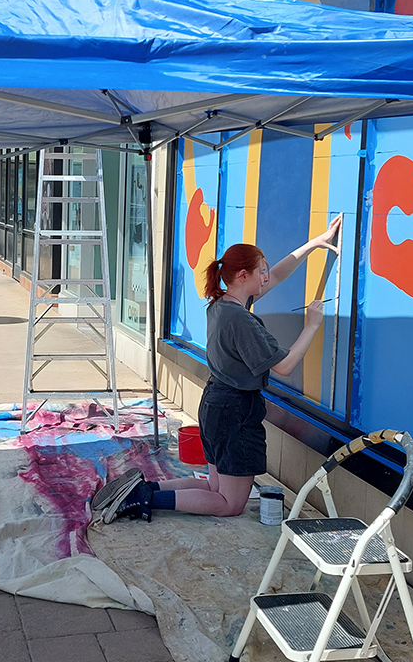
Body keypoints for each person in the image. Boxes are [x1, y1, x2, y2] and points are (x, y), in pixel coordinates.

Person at [92, 217, 342, 523]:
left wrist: (315, 243)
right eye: (261, 270)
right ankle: (144, 498)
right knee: (229, 503)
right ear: (243, 275)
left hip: (216, 404)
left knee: (214, 486)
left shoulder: (222, 303)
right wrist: (313, 325)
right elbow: (285, 367)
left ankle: (142, 488)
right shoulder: (241, 319)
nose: (266, 276)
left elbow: (277, 274)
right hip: (234, 412)